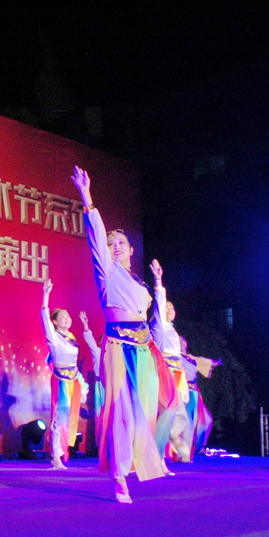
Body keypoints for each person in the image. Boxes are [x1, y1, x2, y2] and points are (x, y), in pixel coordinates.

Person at [71, 166, 165, 503]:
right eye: (111, 244)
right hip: (117, 348)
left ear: (131, 249)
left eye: (121, 242)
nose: (115, 247)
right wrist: (87, 197)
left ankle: (138, 461)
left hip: (143, 349)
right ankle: (119, 476)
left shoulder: (138, 284)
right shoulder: (107, 273)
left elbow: (152, 318)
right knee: (122, 411)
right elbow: (96, 238)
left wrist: (158, 284)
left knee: (143, 411)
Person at [39, 279, 87, 469]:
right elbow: (44, 314)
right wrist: (46, 294)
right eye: (63, 316)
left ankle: (61, 450)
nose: (67, 318)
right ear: (55, 321)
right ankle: (55, 457)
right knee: (59, 418)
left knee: (68, 417)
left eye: (68, 315)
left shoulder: (72, 337)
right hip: (60, 380)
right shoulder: (53, 335)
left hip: (73, 380)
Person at [149, 260, 192, 464]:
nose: (170, 309)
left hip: (176, 373)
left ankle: (175, 443)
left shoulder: (172, 329)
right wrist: (158, 281)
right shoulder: (159, 325)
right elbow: (158, 303)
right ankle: (157, 455)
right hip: (164, 371)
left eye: (172, 307)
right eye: (167, 307)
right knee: (167, 411)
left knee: (179, 412)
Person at [180, 335, 222, 458]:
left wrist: (214, 363)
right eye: (178, 341)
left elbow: (202, 361)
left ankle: (197, 447)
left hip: (195, 392)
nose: (181, 344)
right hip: (183, 391)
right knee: (187, 421)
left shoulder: (190, 358)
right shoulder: (175, 356)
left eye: (183, 341)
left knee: (205, 420)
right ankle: (182, 450)